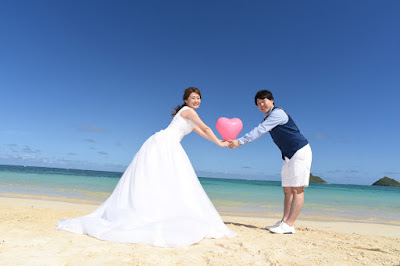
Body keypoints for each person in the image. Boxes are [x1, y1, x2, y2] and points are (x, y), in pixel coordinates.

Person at [56, 87, 236, 247]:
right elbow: (205, 128)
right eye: (193, 97)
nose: (196, 100)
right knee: (169, 177)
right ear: (186, 100)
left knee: (164, 178)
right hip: (165, 143)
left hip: (167, 144)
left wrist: (218, 140)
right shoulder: (188, 111)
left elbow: (201, 132)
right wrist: (219, 145)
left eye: (199, 98)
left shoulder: (188, 115)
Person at [229, 90, 312, 234]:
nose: (261, 104)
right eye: (258, 103)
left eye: (264, 101)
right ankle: (284, 222)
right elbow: (261, 128)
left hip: (300, 151)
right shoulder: (267, 119)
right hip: (287, 156)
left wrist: (239, 142)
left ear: (272, 101)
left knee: (297, 189)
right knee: (287, 190)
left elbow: (259, 131)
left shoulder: (278, 113)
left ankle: (289, 225)